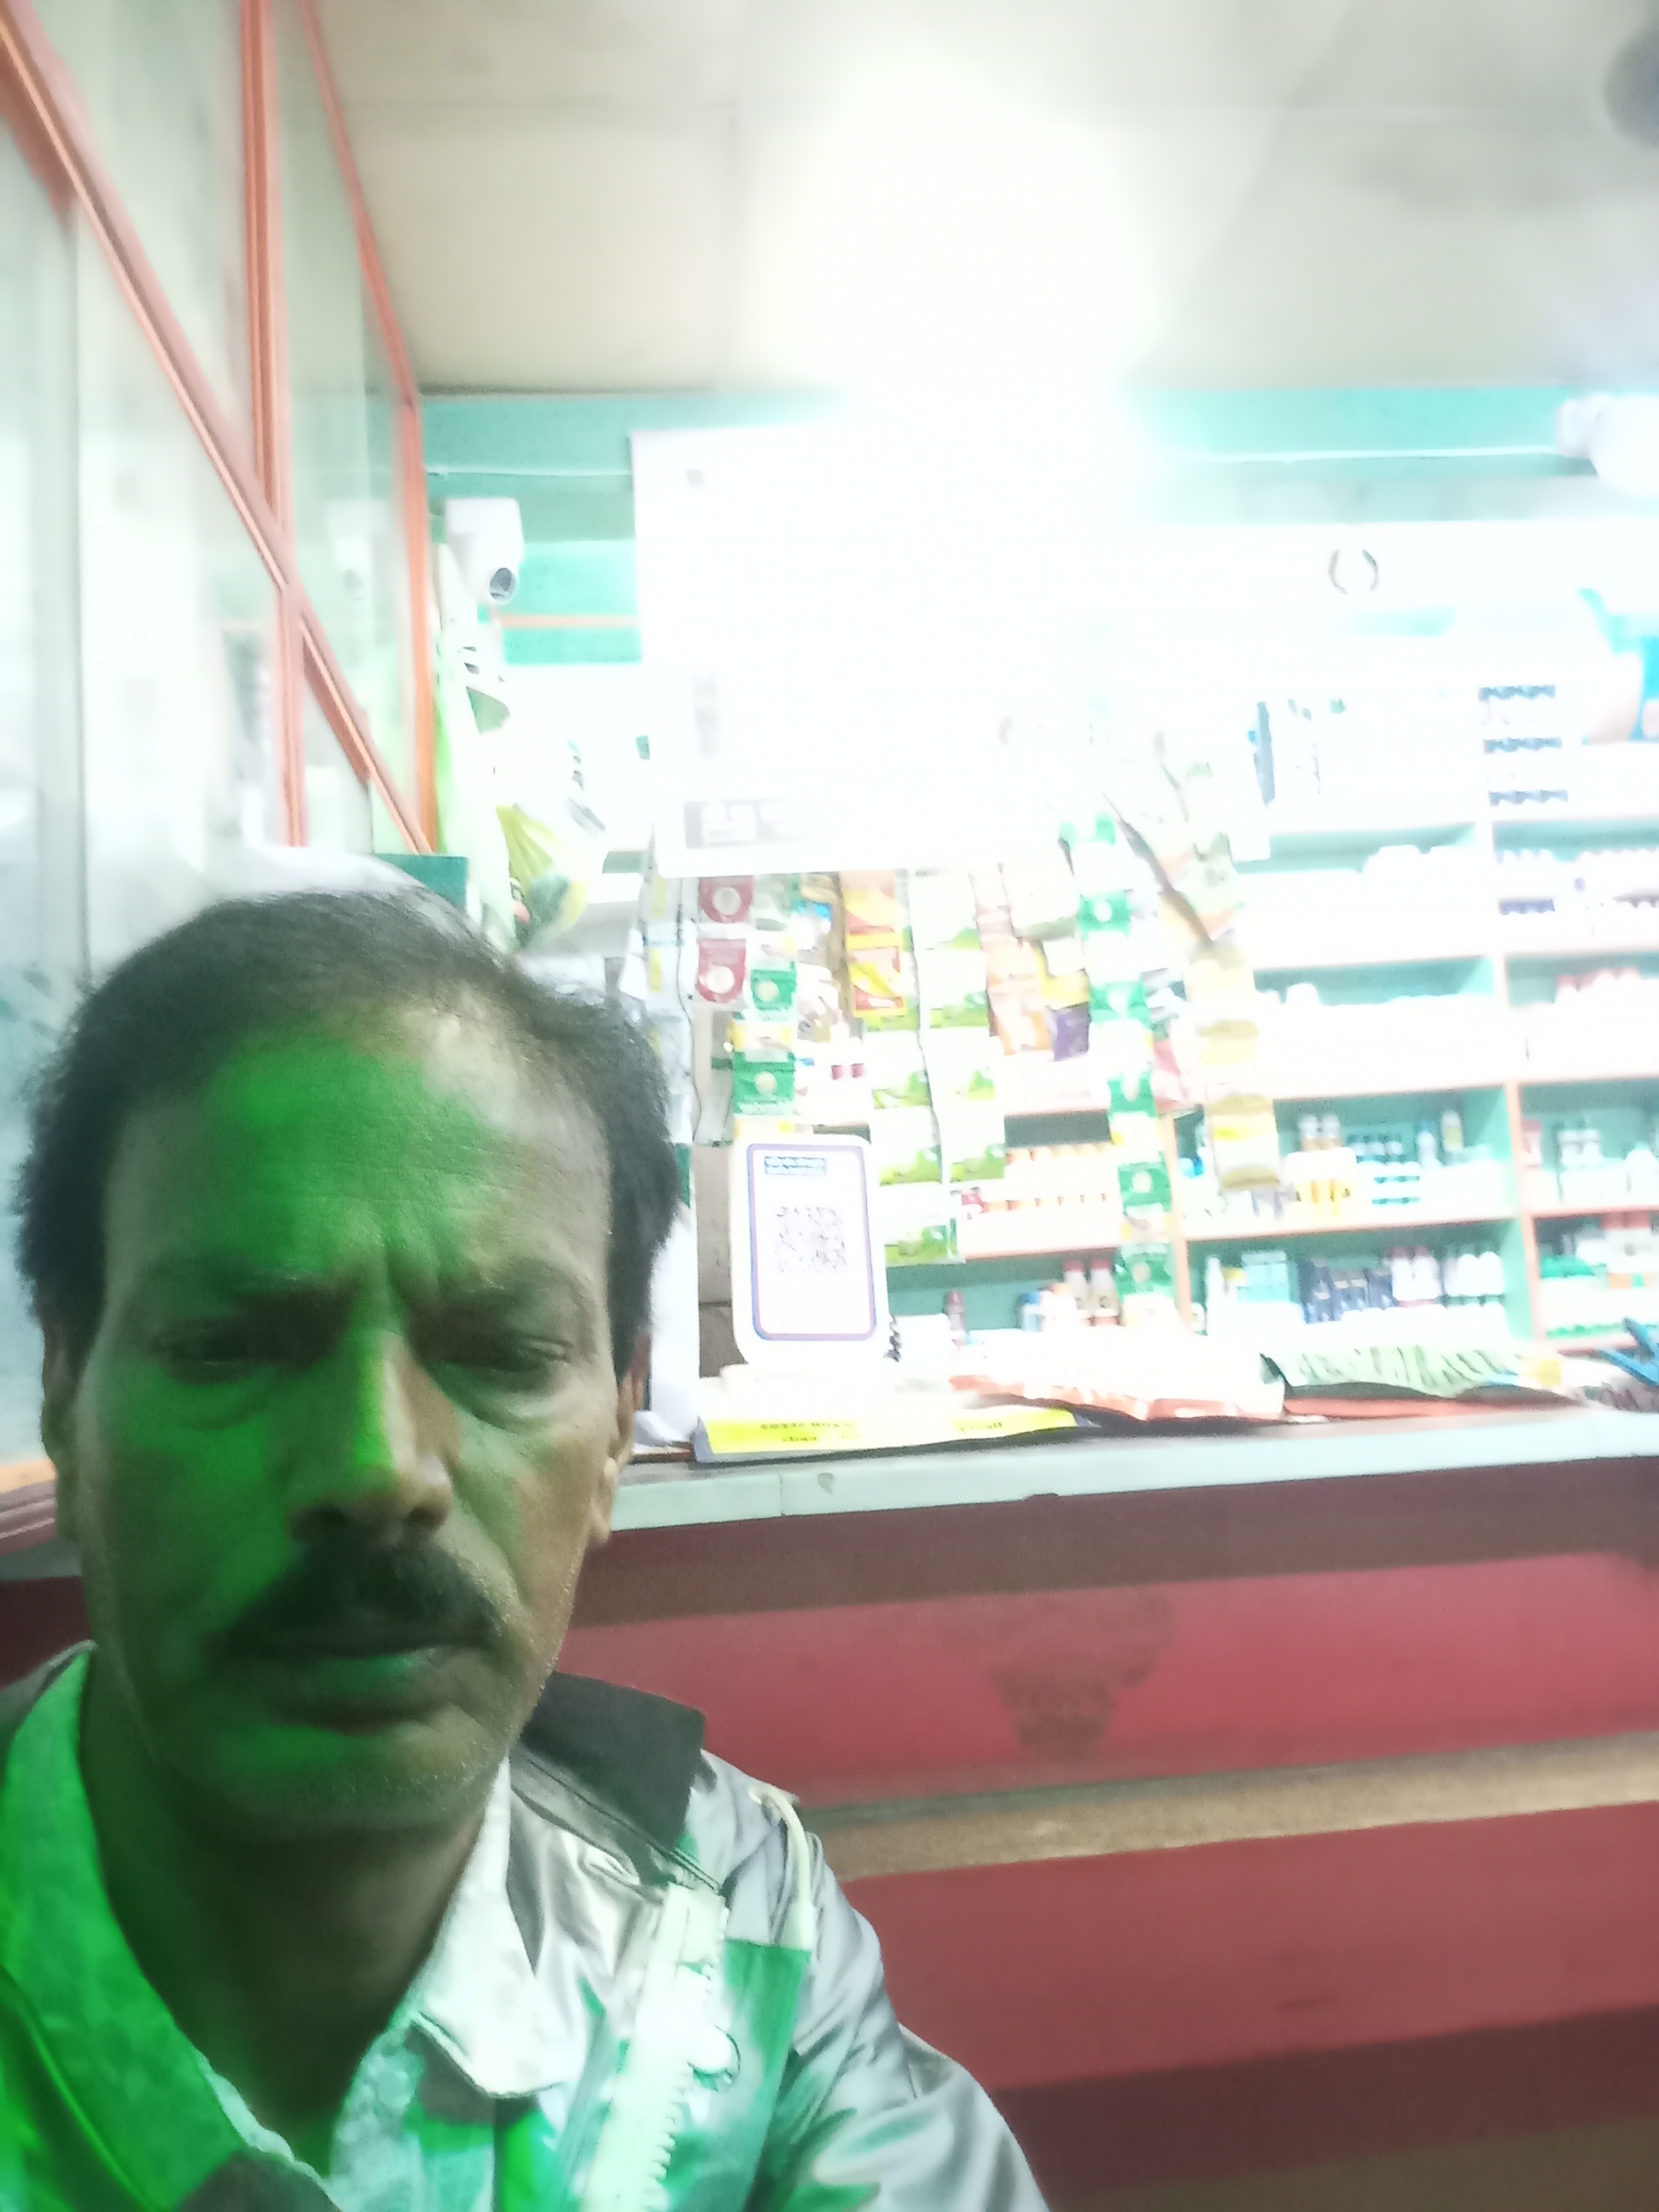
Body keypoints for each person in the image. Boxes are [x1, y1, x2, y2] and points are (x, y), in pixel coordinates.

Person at [0, 889, 1045, 2211]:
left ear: (615, 1432)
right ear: (65, 1390)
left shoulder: (721, 1915)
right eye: (234, 1344)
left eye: (501, 1351)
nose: (378, 1466)